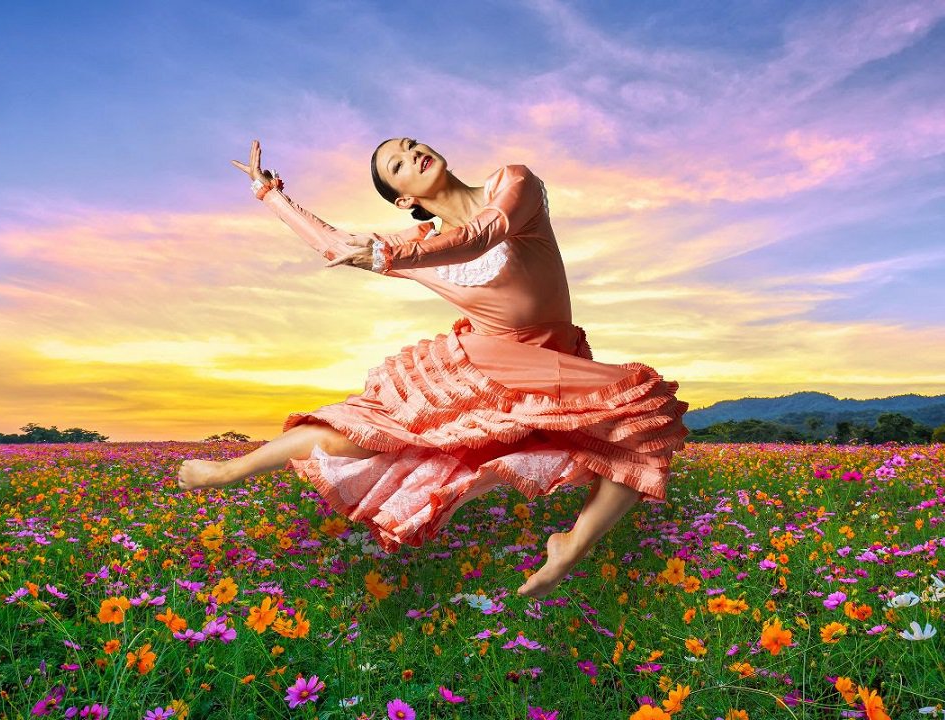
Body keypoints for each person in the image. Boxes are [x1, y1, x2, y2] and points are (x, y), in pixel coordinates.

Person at [177, 138, 690, 599]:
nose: (412, 152)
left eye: (411, 144)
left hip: (551, 356)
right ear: (404, 199)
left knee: (640, 422)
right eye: (397, 163)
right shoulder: (417, 247)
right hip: (489, 357)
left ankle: (571, 546)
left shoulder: (514, 183)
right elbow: (334, 245)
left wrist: (389, 252)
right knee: (374, 430)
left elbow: (485, 234)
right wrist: (271, 196)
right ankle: (228, 470)